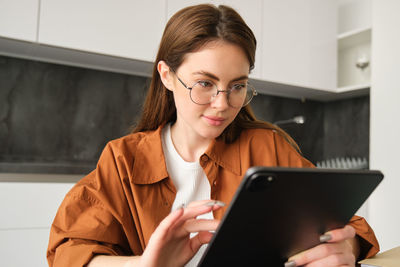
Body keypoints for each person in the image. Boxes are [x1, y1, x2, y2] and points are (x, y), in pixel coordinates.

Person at [47, 4, 379, 267]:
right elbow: (69, 252)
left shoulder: (267, 146)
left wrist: (344, 247)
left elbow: (351, 226)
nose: (222, 104)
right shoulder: (123, 160)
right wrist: (146, 264)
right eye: (205, 83)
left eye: (237, 86)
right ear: (167, 75)